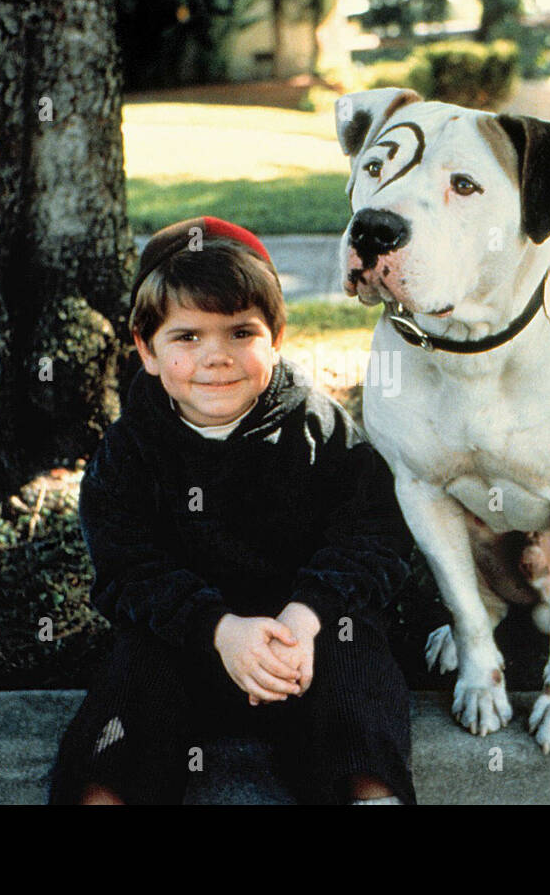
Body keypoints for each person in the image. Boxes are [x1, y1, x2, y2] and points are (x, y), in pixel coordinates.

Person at [48, 215, 417, 805]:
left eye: (241, 333)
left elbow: (374, 533)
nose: (215, 357)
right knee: (123, 707)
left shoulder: (319, 430)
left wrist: (306, 615)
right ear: (146, 349)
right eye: (187, 337)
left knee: (357, 688)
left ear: (276, 336)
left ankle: (370, 796)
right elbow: (127, 568)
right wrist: (217, 630)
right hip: (187, 642)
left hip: (303, 643)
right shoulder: (130, 449)